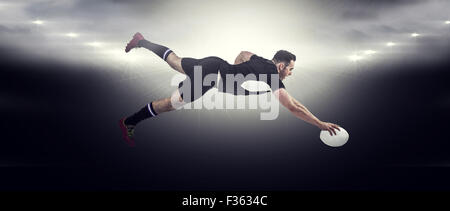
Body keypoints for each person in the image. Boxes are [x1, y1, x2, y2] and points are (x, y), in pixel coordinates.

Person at [119, 32, 340, 146]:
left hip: (213, 67)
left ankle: (142, 41)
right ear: (280, 66)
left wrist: (233, 75)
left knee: (174, 72)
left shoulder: (264, 61)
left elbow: (244, 53)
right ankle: (129, 121)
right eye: (290, 69)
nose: (291, 73)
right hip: (210, 74)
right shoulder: (272, 76)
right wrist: (320, 124)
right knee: (172, 98)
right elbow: (293, 107)